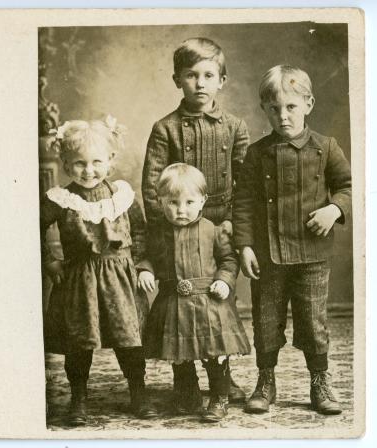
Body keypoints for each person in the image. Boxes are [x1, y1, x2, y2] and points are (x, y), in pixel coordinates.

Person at [233, 65, 351, 416]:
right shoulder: (257, 153)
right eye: (274, 108)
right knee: (266, 321)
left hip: (312, 254)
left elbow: (348, 187)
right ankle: (265, 381)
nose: (282, 116)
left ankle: (320, 381)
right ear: (264, 109)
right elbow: (242, 203)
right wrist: (245, 246)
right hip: (269, 255)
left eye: (291, 107)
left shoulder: (326, 148)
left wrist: (334, 209)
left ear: (309, 104)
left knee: (313, 321)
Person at [141, 37, 249, 413]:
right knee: (179, 309)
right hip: (176, 223)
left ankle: (222, 375)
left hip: (221, 225)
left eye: (208, 75)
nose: (200, 83)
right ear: (177, 80)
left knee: (220, 302)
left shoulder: (234, 127)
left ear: (222, 79)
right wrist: (164, 230)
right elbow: (153, 185)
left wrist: (237, 223)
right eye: (191, 75)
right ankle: (184, 382)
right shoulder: (165, 128)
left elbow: (246, 181)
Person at [41, 117, 155, 425]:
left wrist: (144, 266)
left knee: (129, 338)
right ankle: (78, 397)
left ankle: (138, 391)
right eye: (78, 163)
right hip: (81, 279)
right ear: (65, 163)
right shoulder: (61, 200)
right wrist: (51, 261)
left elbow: (142, 234)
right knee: (80, 341)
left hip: (119, 276)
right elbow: (32, 229)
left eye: (96, 162)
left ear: (111, 161)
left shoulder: (122, 196)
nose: (88, 170)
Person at [139, 163, 251, 422]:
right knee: (180, 353)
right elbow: (149, 257)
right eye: (172, 202)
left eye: (189, 202)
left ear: (202, 201)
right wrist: (145, 270)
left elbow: (229, 261)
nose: (181, 210)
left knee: (214, 352)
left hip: (209, 303)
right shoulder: (159, 233)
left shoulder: (213, 230)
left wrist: (224, 280)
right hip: (173, 302)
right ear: (160, 202)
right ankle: (186, 392)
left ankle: (219, 396)